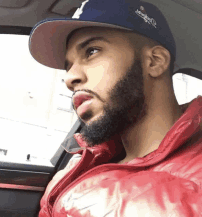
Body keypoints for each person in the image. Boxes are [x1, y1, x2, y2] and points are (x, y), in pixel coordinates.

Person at [29, 0, 202, 216]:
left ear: (155, 61)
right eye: (69, 65)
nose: (70, 78)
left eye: (91, 51)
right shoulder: (80, 163)